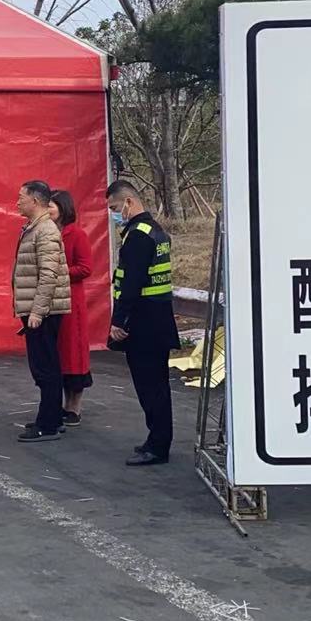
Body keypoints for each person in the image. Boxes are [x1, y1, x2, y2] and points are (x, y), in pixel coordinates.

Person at [106, 180, 181, 466]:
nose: (114, 214)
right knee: (157, 385)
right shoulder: (155, 230)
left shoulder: (137, 236)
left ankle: (158, 446)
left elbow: (132, 284)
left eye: (115, 207)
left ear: (129, 202)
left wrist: (119, 321)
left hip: (143, 322)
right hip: (158, 318)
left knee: (150, 387)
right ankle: (156, 440)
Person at [12, 180, 70, 442]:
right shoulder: (34, 228)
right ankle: (51, 417)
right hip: (38, 307)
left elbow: (48, 274)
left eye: (21, 198)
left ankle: (48, 424)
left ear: (35, 201)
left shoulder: (45, 231)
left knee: (45, 366)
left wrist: (37, 311)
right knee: (43, 365)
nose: (17, 202)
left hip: (44, 311)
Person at [50, 189, 94, 427]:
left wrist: (60, 272)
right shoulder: (46, 233)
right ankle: (59, 403)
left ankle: (74, 406)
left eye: (51, 206)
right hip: (51, 301)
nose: (48, 210)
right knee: (57, 354)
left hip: (71, 302)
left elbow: (85, 268)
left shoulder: (76, 235)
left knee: (73, 354)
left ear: (62, 208)